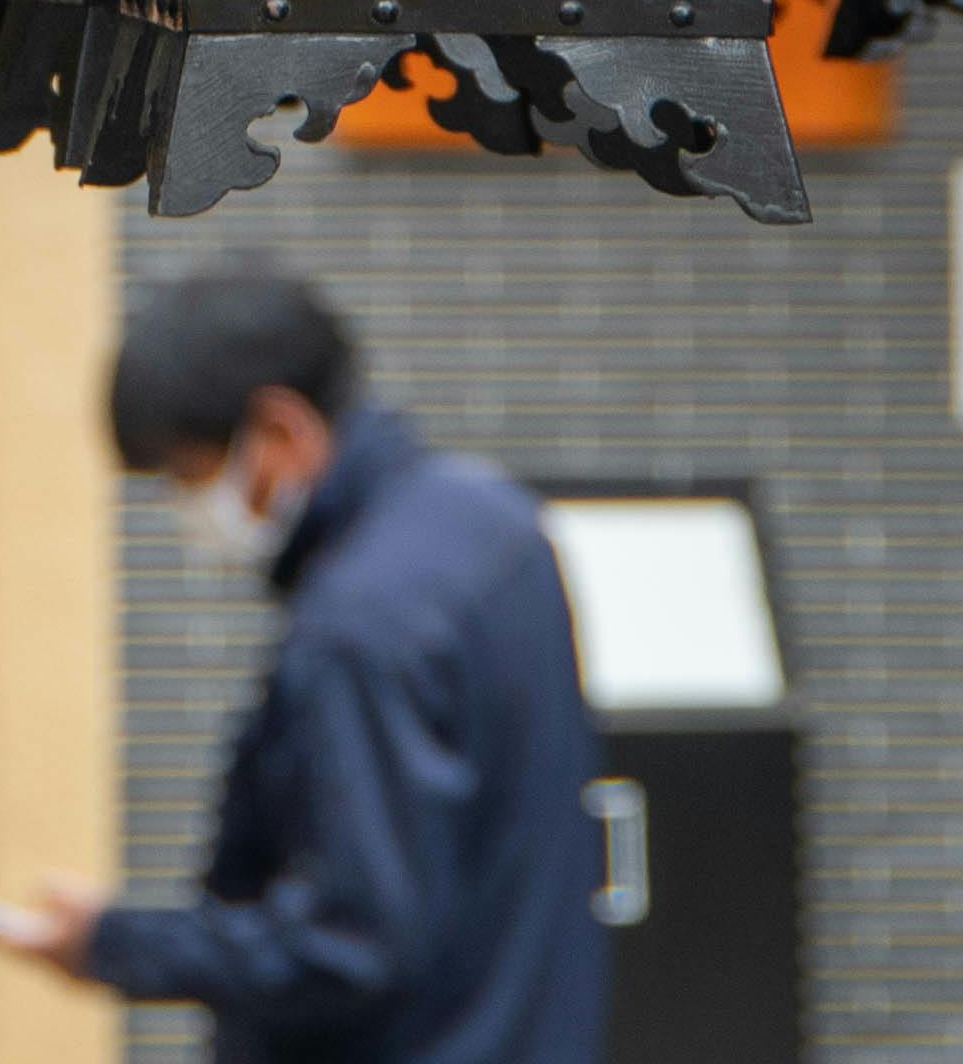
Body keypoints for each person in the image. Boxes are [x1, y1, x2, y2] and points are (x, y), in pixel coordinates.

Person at [35, 265, 604, 1064]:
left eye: (188, 472)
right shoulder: (496, 524)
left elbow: (354, 942)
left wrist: (116, 943)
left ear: (281, 432)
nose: (186, 507)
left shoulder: (360, 626)